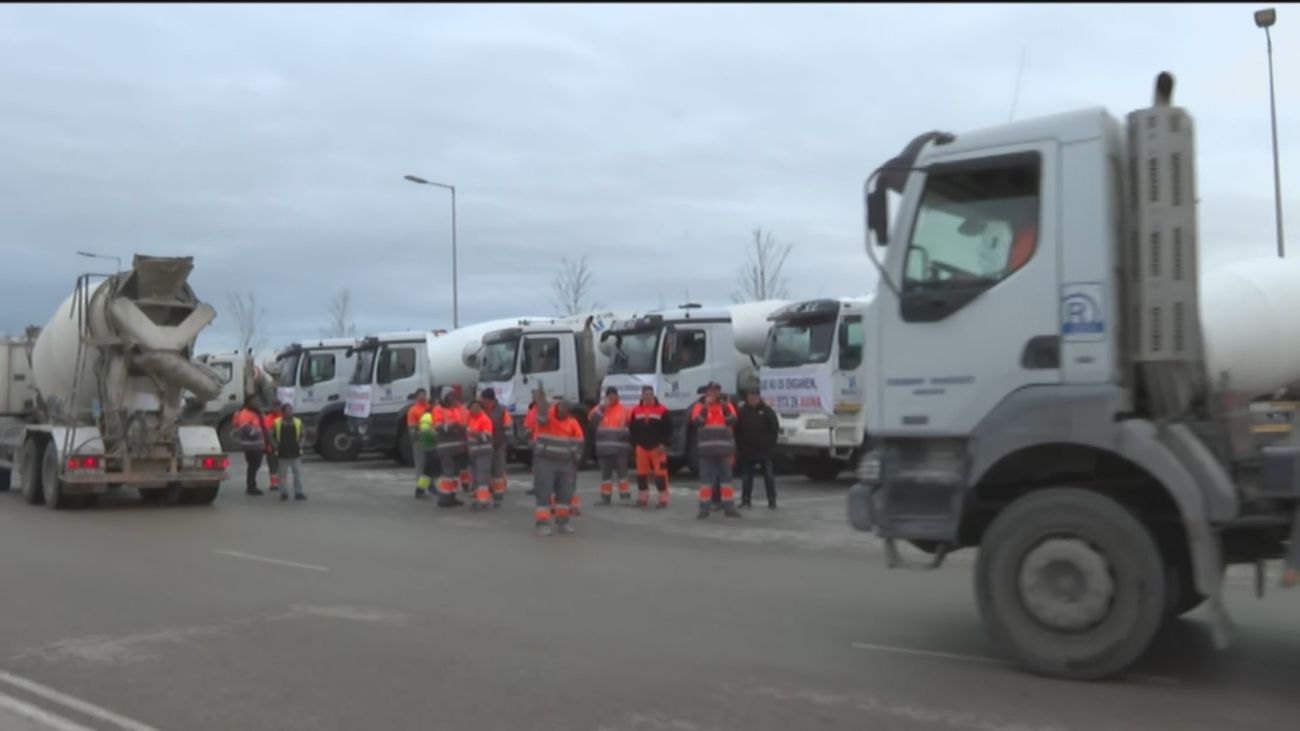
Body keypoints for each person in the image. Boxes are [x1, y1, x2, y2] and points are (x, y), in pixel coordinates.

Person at [532, 399, 585, 536]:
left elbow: (579, 442)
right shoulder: (547, 417)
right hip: (545, 461)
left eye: (568, 410)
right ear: (559, 407)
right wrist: (541, 399)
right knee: (544, 492)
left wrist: (575, 459)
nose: (566, 412)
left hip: (565, 463)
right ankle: (542, 524)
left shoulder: (572, 422)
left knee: (564, 493)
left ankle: (563, 522)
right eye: (565, 409)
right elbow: (541, 417)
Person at [690, 382, 740, 519]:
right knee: (706, 482)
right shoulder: (699, 406)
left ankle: (729, 508)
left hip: (724, 450)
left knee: (726, 481)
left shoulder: (727, 405)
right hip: (706, 451)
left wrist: (725, 408)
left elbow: (733, 421)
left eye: (717, 390)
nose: (714, 393)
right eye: (712, 390)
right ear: (707, 392)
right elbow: (697, 422)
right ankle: (704, 509)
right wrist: (705, 408)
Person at [734, 388, 780, 509]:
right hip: (747, 451)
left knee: (769, 476)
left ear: (759, 397)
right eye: (751, 395)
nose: (753, 397)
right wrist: (740, 447)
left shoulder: (767, 411)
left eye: (755, 395)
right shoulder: (742, 412)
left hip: (765, 451)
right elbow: (737, 431)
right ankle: (746, 500)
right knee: (746, 477)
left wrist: (770, 446)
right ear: (747, 397)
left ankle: (772, 500)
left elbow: (774, 429)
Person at [629, 384, 671, 508]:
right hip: (641, 447)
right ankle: (642, 498)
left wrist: (664, 443)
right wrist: (635, 444)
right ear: (641, 396)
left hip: (657, 448)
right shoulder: (635, 410)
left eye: (649, 394)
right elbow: (632, 428)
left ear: (653, 395)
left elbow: (669, 429)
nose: (647, 397)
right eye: (645, 395)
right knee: (641, 475)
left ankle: (663, 499)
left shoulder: (662, 410)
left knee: (661, 475)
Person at [589, 386, 632, 505]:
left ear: (617, 396)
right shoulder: (599, 409)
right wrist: (602, 408)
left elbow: (631, 425)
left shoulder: (624, 410)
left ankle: (625, 497)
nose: (612, 397)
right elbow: (592, 421)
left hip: (620, 449)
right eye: (609, 395)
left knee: (622, 475)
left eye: (614, 395)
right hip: (604, 449)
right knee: (605, 476)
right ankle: (605, 498)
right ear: (606, 397)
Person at [431, 386, 468, 508]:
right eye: (450, 395)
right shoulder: (438, 409)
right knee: (448, 473)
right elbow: (438, 425)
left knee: (455, 474)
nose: (453, 397)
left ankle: (452, 497)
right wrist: (450, 426)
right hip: (445, 446)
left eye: (453, 394)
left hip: (459, 447)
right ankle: (443, 499)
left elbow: (466, 422)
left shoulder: (460, 407)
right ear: (444, 397)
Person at [479, 388, 512, 506]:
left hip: (498, 445)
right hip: (483, 445)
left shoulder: (502, 410)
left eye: (482, 398)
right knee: (484, 471)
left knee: (498, 471)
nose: (480, 400)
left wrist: (504, 442)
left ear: (488, 399)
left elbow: (507, 425)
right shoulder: (479, 409)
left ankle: (498, 496)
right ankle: (485, 495)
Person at [272, 403, 306, 501]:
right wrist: (276, 446)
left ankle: (298, 492)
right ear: (283, 412)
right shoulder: (277, 422)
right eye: (287, 411)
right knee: (282, 474)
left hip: (295, 452)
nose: (289, 412)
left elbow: (303, 435)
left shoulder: (298, 422)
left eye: (290, 410)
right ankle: (284, 493)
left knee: (297, 473)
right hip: (282, 452)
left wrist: (300, 445)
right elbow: (270, 435)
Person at [231, 397, 266, 496]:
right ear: (249, 402)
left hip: (258, 444)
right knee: (253, 465)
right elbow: (245, 427)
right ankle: (251, 486)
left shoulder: (256, 412)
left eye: (258, 401)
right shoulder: (245, 413)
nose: (257, 402)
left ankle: (251, 485)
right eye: (255, 401)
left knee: (255, 465)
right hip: (251, 445)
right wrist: (256, 432)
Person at [466, 401, 496, 511]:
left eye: (477, 406)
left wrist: (473, 433)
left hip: (483, 452)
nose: (474, 409)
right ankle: (479, 499)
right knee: (476, 477)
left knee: (482, 477)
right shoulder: (471, 419)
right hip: (474, 453)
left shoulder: (484, 419)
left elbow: (487, 437)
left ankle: (483, 501)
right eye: (473, 407)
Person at [407, 389, 433, 499]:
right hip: (420, 441)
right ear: (416, 396)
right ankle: (420, 488)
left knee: (430, 465)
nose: (423, 396)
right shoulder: (413, 410)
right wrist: (415, 437)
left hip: (431, 440)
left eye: (424, 394)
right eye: (421, 395)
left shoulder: (430, 408)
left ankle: (428, 487)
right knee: (421, 465)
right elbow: (411, 427)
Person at [416, 408, 438, 499]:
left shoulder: (428, 416)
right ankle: (426, 489)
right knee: (431, 470)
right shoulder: (428, 417)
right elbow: (425, 432)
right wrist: (437, 435)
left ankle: (421, 489)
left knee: (428, 471)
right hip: (431, 447)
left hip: (430, 447)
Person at [261, 400, 282, 492]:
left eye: (278, 406)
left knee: (282, 466)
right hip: (271, 447)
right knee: (273, 466)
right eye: (274, 406)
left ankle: (280, 483)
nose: (276, 408)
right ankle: (274, 484)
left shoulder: (283, 417)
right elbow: (266, 433)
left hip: (283, 446)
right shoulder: (267, 418)